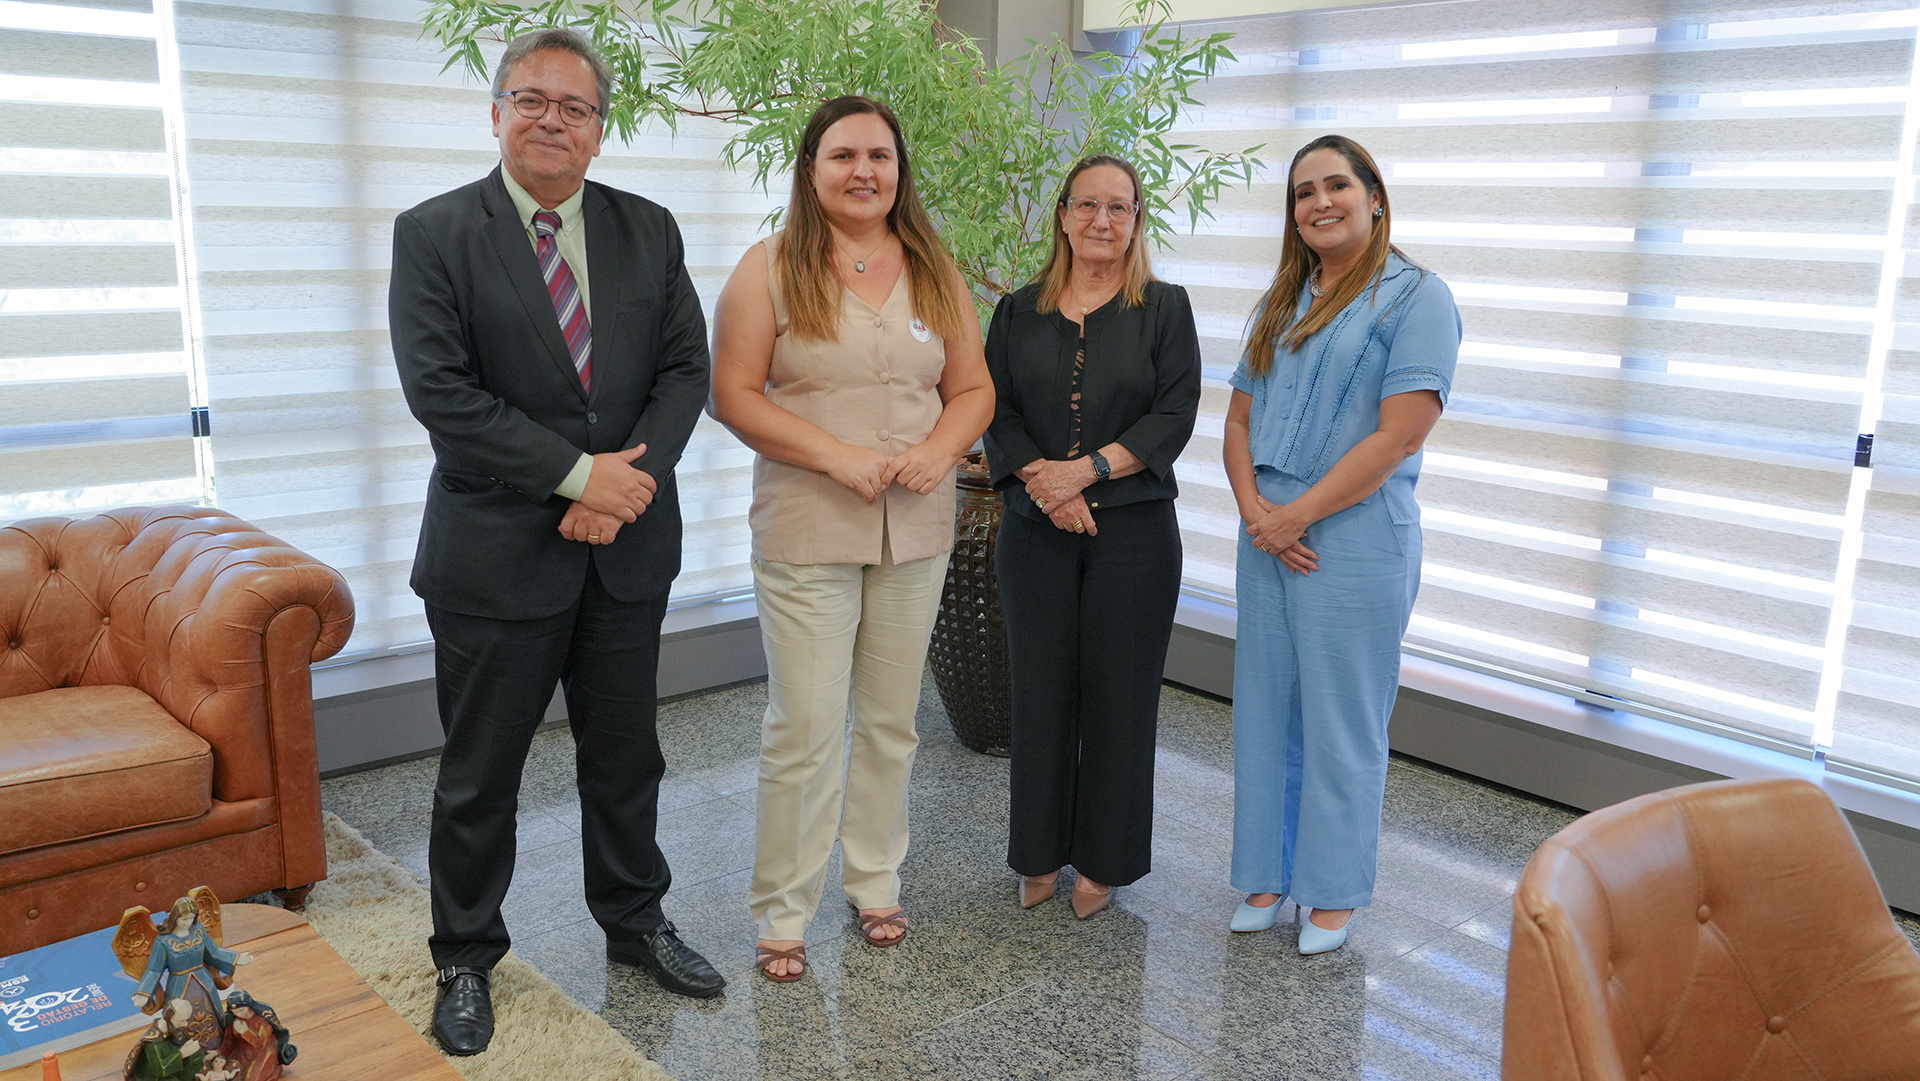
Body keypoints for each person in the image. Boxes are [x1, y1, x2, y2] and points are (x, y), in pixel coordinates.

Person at [388, 27, 722, 1053]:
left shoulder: (647, 228)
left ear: (599, 129)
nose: (552, 120)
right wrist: (582, 477)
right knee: (480, 775)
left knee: (627, 758)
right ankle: (465, 954)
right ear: (496, 114)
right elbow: (442, 394)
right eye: (531, 100)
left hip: (625, 551)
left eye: (574, 107)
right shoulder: (435, 232)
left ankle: (635, 919)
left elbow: (685, 371)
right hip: (494, 558)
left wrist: (621, 491)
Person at [710, 96, 993, 982]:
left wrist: (940, 451)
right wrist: (835, 455)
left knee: (890, 722)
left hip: (916, 529)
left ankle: (875, 880)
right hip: (807, 526)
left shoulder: (934, 268)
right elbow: (733, 394)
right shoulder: (768, 267)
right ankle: (783, 908)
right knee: (803, 726)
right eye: (843, 155)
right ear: (811, 168)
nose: (863, 171)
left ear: (899, 170)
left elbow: (973, 389)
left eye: (880, 156)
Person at [1223, 134, 1459, 953]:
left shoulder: (1419, 298)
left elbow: (1400, 436)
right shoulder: (1282, 299)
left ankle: (1331, 891)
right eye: (1303, 192)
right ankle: (1264, 873)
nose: (1319, 202)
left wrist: (1297, 516)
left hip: (1352, 537)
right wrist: (1257, 510)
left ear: (1374, 197)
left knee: (1340, 722)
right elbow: (1239, 419)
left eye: (1336, 185)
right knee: (1263, 711)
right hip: (1266, 533)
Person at [982, 154, 1202, 919]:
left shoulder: (1165, 309)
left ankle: (1105, 861)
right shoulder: (1017, 310)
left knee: (1121, 698)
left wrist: (1085, 472)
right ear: (1063, 215)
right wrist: (1046, 484)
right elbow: (993, 406)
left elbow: (1173, 413)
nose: (1101, 220)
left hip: (1134, 536)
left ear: (1137, 221)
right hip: (1034, 532)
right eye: (1086, 205)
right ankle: (1038, 851)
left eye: (1118, 207)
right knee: (1039, 693)